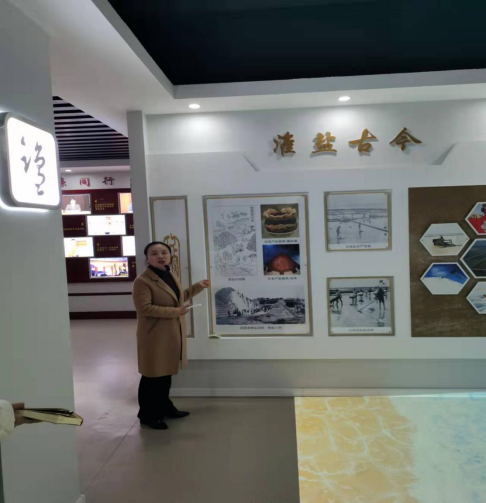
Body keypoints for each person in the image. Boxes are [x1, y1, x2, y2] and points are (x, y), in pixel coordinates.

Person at [132, 242, 210, 430]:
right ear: (147, 258)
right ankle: (148, 415)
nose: (160, 256)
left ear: (170, 255)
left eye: (164, 252)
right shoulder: (142, 281)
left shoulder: (169, 274)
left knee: (165, 373)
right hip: (154, 335)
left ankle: (165, 407)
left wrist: (197, 287)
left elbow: (178, 298)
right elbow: (144, 308)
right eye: (154, 253)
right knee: (152, 376)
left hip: (171, 333)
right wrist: (176, 312)